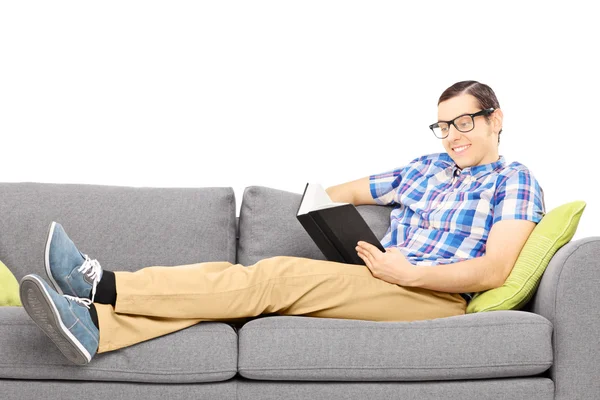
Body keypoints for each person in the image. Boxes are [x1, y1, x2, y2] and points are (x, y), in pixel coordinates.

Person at [19, 80, 546, 366]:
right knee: (238, 297)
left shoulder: (513, 179)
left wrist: (407, 273)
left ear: (495, 119)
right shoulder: (424, 168)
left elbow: (494, 270)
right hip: (376, 275)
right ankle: (96, 327)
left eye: (464, 122)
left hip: (430, 294)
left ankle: (101, 284)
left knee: (273, 276)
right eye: (443, 125)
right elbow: (337, 192)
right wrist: (332, 219)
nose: (452, 134)